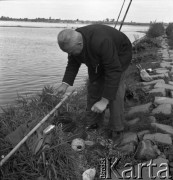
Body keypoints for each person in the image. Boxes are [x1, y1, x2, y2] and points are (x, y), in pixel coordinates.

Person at [57, 24, 132, 142]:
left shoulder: (101, 41)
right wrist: (65, 84)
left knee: (115, 91)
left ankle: (117, 129)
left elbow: (113, 71)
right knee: (94, 85)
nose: (70, 54)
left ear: (79, 44)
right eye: (68, 53)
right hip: (96, 57)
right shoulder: (73, 43)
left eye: (71, 52)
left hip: (120, 55)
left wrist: (104, 100)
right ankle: (94, 124)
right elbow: (73, 64)